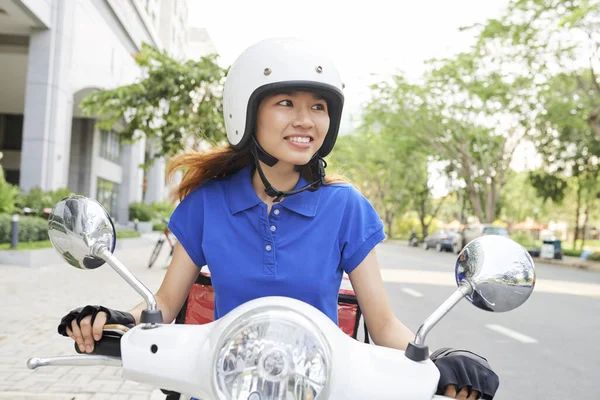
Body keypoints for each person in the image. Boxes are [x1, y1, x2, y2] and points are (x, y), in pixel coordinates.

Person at [57, 38, 499, 400]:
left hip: (316, 387)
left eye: (319, 107)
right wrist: (116, 320)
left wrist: (436, 362)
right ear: (247, 114)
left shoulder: (346, 207)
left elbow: (382, 324)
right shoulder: (208, 204)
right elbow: (165, 305)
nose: (305, 120)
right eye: (286, 103)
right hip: (221, 386)